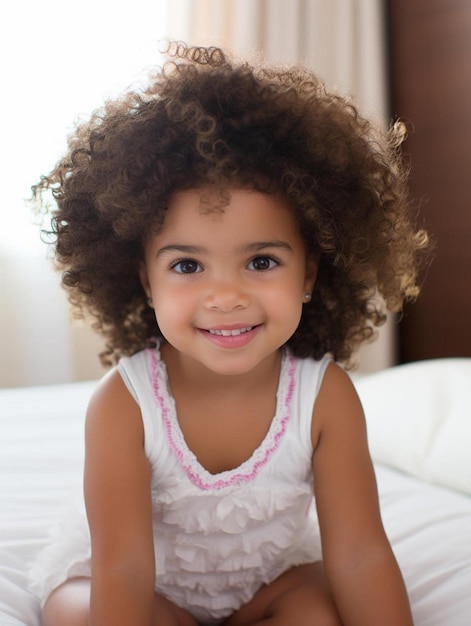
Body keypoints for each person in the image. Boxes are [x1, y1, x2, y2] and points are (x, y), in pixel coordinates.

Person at [29, 42, 428, 626]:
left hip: (263, 588)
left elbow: (360, 554)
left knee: (318, 611)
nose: (226, 296)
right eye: (188, 266)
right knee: (74, 610)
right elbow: (123, 571)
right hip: (151, 595)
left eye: (261, 261)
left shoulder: (325, 398)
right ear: (145, 280)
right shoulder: (124, 404)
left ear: (309, 273)